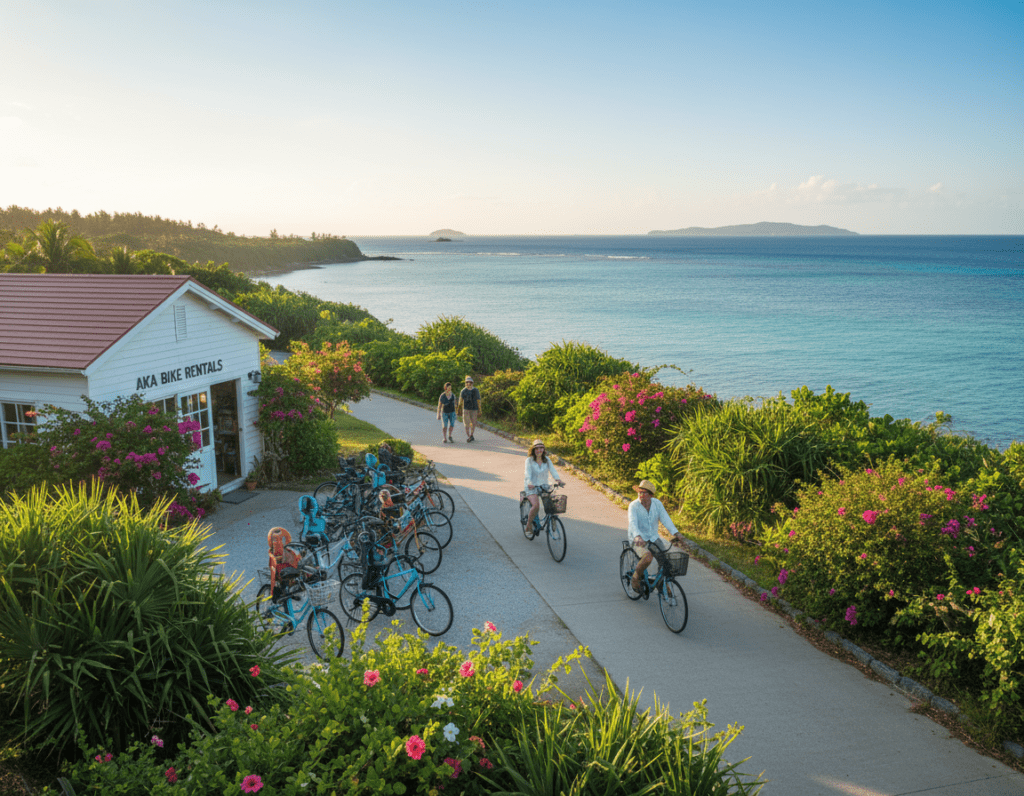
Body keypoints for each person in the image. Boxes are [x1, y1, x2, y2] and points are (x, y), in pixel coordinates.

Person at [627, 479, 685, 593]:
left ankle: (662, 583)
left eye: (644, 493)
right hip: (637, 538)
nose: (640, 495)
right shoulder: (633, 506)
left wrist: (676, 533)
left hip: (653, 537)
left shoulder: (657, 504)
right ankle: (635, 578)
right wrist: (637, 536)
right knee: (647, 557)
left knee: (665, 561)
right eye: (639, 492)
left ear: (650, 495)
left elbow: (665, 519)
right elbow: (632, 523)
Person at [523, 439, 564, 538]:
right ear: (533, 450)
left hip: (544, 485)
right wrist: (530, 483)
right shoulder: (529, 460)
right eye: (537, 448)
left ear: (544, 449)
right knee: (536, 506)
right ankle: (528, 526)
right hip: (532, 486)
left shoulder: (547, 460)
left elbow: (553, 470)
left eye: (541, 448)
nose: (539, 450)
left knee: (552, 505)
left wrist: (558, 480)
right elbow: (527, 474)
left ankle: (552, 519)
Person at [458, 376, 482, 442]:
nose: (468, 384)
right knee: (466, 424)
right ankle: (469, 436)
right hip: (466, 409)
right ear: (465, 383)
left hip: (474, 409)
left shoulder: (476, 390)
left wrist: (480, 410)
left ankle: (471, 435)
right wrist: (459, 409)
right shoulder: (463, 391)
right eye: (467, 382)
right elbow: (460, 401)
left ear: (472, 383)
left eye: (470, 382)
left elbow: (478, 400)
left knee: (473, 423)